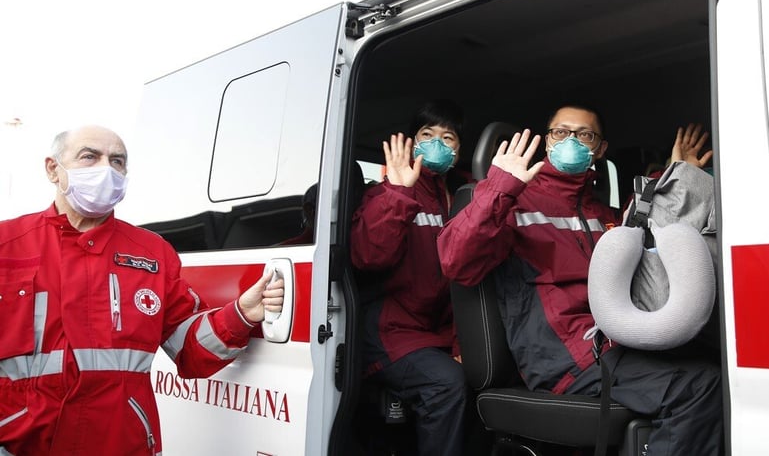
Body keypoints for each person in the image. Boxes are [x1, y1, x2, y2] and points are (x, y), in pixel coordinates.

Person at [438, 105, 722, 456]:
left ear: (599, 149)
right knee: (701, 386)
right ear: (546, 140)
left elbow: (647, 240)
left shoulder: (602, 214)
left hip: (616, 343)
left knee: (715, 363)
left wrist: (676, 178)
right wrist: (499, 187)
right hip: (565, 357)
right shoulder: (513, 203)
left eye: (584, 134)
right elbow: (456, 260)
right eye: (561, 132)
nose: (571, 141)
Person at [0, 125, 285, 455]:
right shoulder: (7, 246)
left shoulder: (152, 253)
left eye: (117, 161)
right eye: (89, 156)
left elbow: (191, 351)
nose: (106, 169)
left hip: (122, 444)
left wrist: (241, 314)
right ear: (53, 169)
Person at [350, 100, 468, 456]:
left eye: (448, 137)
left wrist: (462, 345)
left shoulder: (461, 200)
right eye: (427, 134)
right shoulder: (386, 192)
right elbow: (369, 256)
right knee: (447, 383)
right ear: (412, 142)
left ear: (459, 151)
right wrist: (398, 193)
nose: (437, 143)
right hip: (391, 333)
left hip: (439, 333)